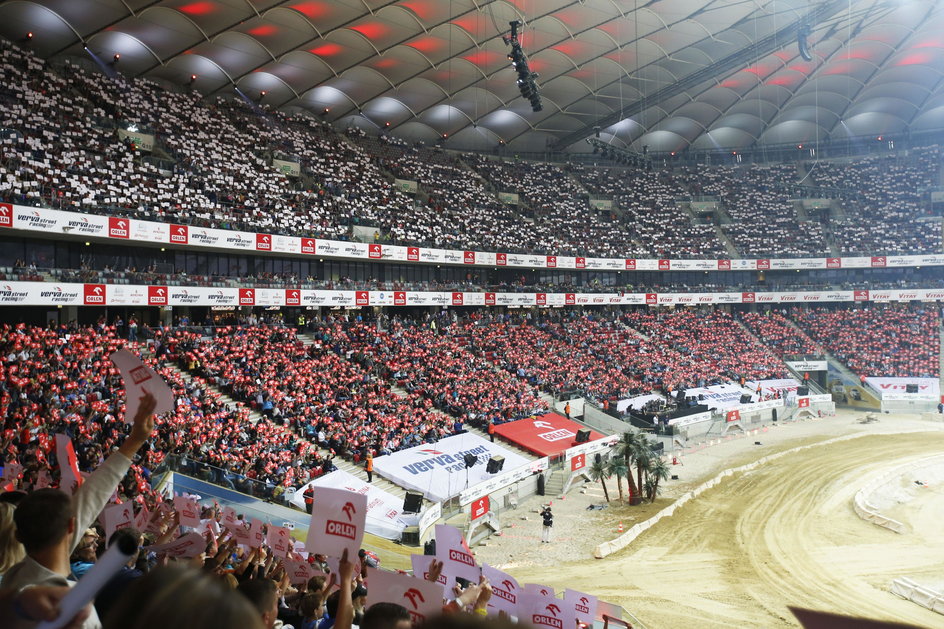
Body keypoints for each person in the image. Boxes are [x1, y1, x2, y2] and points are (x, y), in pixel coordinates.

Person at [4, 391, 157, 629]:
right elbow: (88, 501)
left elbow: (90, 500)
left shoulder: (14, 581)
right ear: (71, 526)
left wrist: (135, 441)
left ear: (18, 534)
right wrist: (135, 439)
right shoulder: (71, 612)